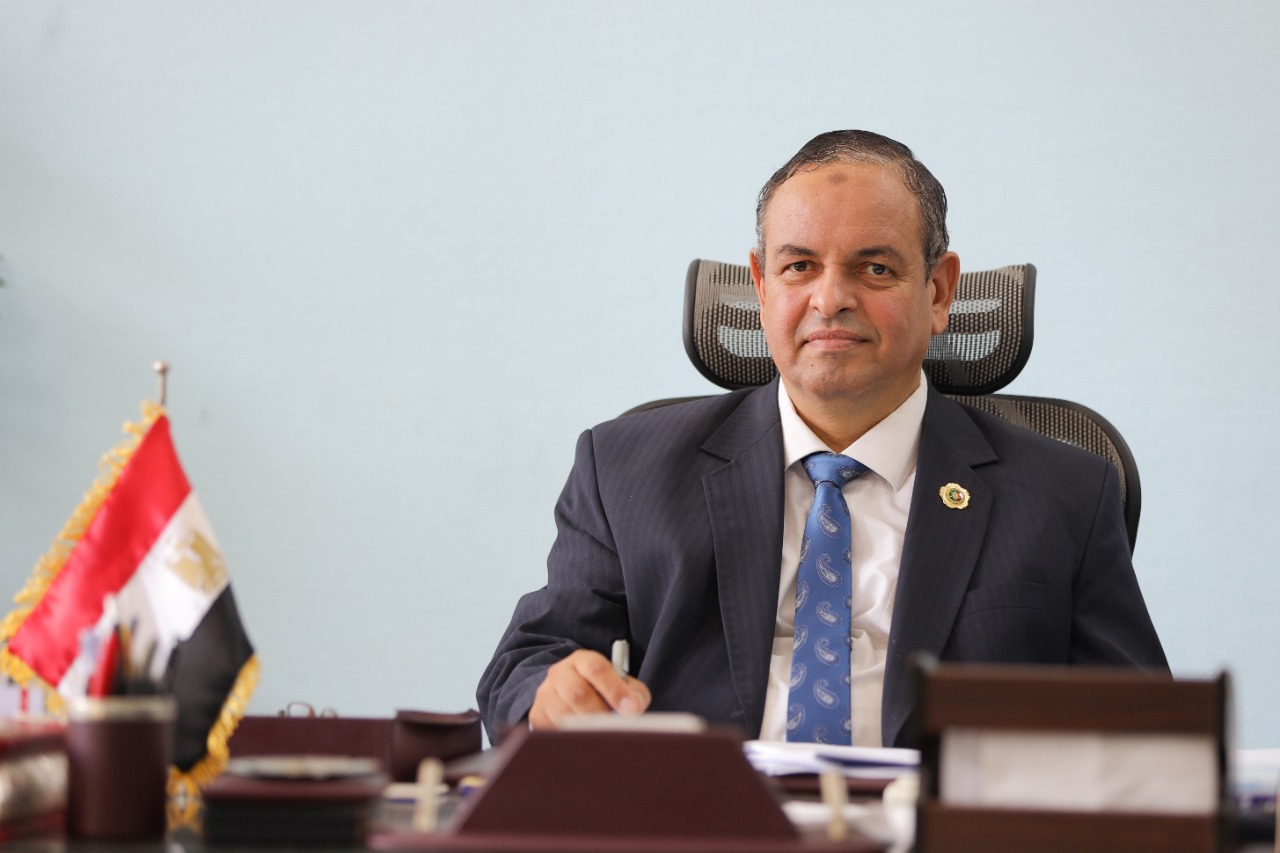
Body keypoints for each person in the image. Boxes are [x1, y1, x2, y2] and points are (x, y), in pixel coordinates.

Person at [477, 130, 1167, 748]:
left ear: (938, 291)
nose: (830, 298)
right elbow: (523, 666)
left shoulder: (1064, 493)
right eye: (799, 266)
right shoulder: (626, 470)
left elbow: (1146, 736)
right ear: (760, 286)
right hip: (708, 821)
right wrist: (550, 694)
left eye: (875, 268)